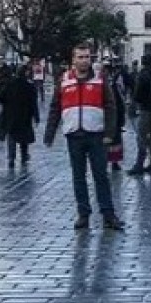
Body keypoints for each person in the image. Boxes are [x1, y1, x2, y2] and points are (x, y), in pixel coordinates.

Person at [44, 44, 125, 230]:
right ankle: (83, 213)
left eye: (87, 57)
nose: (84, 61)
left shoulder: (99, 79)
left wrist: (110, 134)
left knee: (101, 176)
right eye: (80, 57)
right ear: (73, 60)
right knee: (78, 177)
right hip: (74, 134)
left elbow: (111, 107)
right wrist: (50, 132)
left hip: (96, 134)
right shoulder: (64, 80)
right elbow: (55, 107)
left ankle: (108, 213)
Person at [0, 64, 40, 169]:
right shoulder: (29, 86)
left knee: (11, 137)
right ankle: (24, 156)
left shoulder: (10, 84)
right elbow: (33, 103)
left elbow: (1, 98)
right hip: (24, 116)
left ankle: (11, 158)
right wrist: (36, 116)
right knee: (23, 138)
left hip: (11, 116)